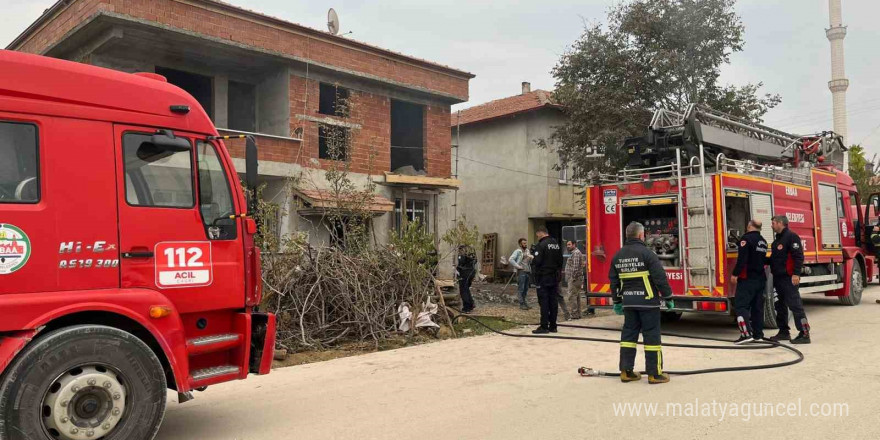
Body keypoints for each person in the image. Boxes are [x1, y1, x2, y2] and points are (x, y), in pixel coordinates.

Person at [609, 222, 674, 384]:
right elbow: (660, 278)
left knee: (628, 336)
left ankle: (626, 371)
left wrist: (617, 301)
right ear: (640, 235)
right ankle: (654, 374)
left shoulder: (618, 256)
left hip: (628, 303)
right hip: (648, 303)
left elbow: (614, 281)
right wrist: (668, 297)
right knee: (651, 337)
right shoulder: (648, 254)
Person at [768, 215, 810, 344]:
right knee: (780, 305)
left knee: (795, 305)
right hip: (778, 278)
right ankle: (783, 332)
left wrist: (796, 274)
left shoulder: (791, 237)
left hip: (788, 278)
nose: (772, 225)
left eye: (773, 223)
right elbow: (774, 259)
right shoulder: (777, 240)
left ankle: (804, 333)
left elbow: (798, 257)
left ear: (781, 223)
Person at [730, 220, 769, 344]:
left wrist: (735, 274)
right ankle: (758, 335)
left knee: (741, 306)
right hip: (760, 279)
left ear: (749, 226)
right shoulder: (763, 241)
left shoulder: (746, 239)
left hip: (747, 279)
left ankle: (746, 335)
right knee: (757, 308)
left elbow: (742, 259)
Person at [531, 226, 563, 334]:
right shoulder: (556, 244)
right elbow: (560, 261)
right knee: (553, 301)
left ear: (541, 233)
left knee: (544, 302)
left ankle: (544, 326)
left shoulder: (541, 245)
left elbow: (537, 261)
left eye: (537, 234)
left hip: (543, 277)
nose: (537, 237)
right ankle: (553, 326)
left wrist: (533, 258)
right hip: (554, 277)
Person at [508, 238, 532, 310]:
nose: (525, 244)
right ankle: (521, 304)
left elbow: (528, 261)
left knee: (526, 288)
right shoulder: (518, 251)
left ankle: (525, 302)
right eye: (524, 243)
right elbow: (510, 259)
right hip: (521, 271)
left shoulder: (527, 251)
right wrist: (518, 266)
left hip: (527, 271)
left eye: (526, 243)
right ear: (520, 244)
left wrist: (531, 257)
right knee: (521, 288)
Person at [564, 241, 586, 319]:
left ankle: (574, 314)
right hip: (576, 278)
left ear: (574, 245)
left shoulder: (576, 253)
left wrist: (572, 278)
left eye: (569, 244)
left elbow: (575, 267)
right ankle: (578, 314)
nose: (568, 246)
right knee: (576, 296)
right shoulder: (574, 253)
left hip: (574, 279)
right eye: (567, 245)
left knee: (572, 296)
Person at [456, 244, 477, 314]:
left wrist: (458, 267)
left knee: (463, 290)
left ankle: (467, 307)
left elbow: (461, 261)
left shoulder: (463, 251)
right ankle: (471, 304)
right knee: (466, 289)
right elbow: (475, 260)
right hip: (472, 271)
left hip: (465, 272)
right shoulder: (471, 249)